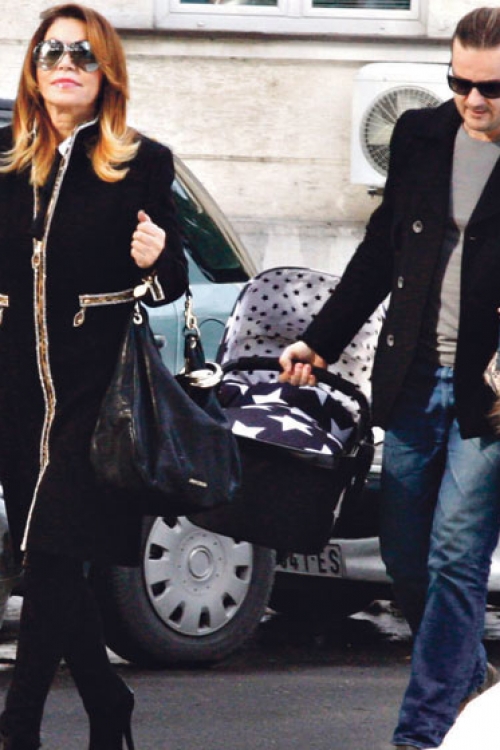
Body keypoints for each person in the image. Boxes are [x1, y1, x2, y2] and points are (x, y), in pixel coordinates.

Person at [279, 6, 500, 749]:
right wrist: (319, 340)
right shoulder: (420, 135)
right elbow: (380, 251)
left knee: (455, 557)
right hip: (410, 376)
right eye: (460, 83)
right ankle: (468, 687)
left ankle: (424, 731)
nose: (473, 100)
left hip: (489, 394)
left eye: (492, 88)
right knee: (406, 558)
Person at [0, 3, 188, 748]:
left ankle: (18, 728)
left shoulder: (141, 162)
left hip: (95, 390)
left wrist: (155, 259)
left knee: (51, 554)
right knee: (52, 557)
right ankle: (108, 702)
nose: (65, 65)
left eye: (81, 53)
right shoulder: (7, 162)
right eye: (51, 52)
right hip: (16, 388)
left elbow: (171, 284)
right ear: (34, 70)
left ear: (106, 71)